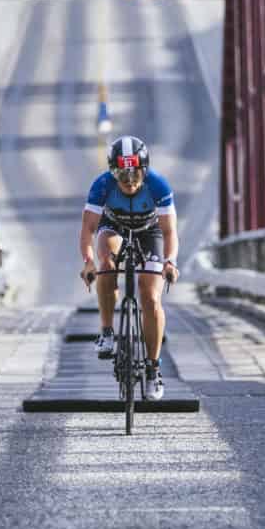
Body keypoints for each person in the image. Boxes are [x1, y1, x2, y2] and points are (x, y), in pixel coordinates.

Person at [78, 136, 179, 401]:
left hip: (150, 232)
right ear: (113, 172)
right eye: (122, 174)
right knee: (106, 264)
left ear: (145, 171)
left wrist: (170, 261)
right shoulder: (101, 185)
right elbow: (88, 229)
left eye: (135, 174)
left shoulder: (158, 185)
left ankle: (153, 368)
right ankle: (107, 332)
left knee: (150, 296)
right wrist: (88, 261)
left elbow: (169, 232)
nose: (130, 181)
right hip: (114, 228)